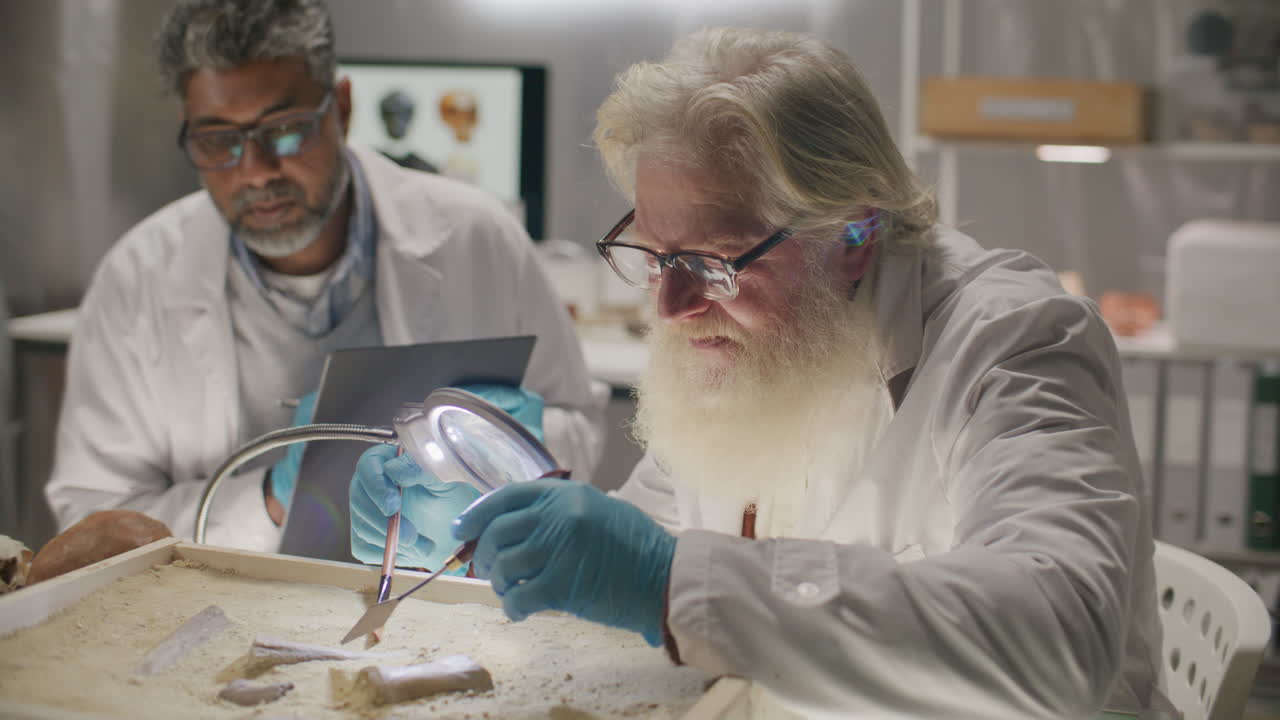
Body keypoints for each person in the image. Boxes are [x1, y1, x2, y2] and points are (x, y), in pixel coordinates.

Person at [356, 27, 1174, 720]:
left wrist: (662, 581)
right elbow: (642, 550)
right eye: (656, 255)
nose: (672, 305)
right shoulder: (741, 352)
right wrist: (507, 543)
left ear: (855, 235)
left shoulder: (1015, 343)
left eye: (713, 263)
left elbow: (1067, 636)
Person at [43, 0, 605, 557]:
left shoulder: (475, 237)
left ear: (342, 107)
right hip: (217, 603)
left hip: (433, 596)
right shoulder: (136, 278)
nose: (256, 171)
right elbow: (94, 523)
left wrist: (502, 450)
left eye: (285, 130)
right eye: (217, 140)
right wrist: (273, 497)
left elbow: (579, 425)